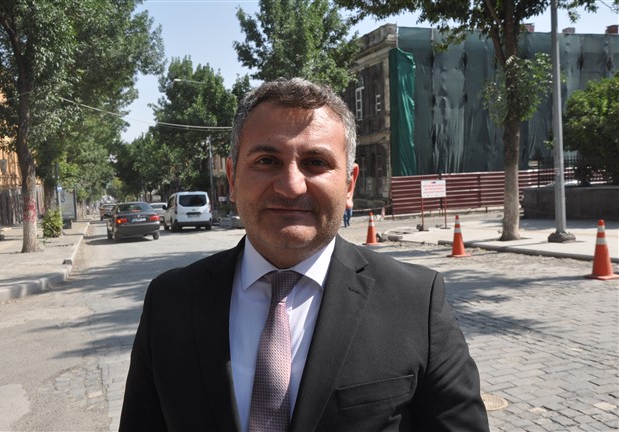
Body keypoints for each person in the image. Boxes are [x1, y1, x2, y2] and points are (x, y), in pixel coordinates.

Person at [119, 78, 489, 432]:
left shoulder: (416, 302)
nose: (291, 186)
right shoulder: (170, 303)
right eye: (267, 161)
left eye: (315, 163)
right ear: (232, 178)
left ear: (349, 184)